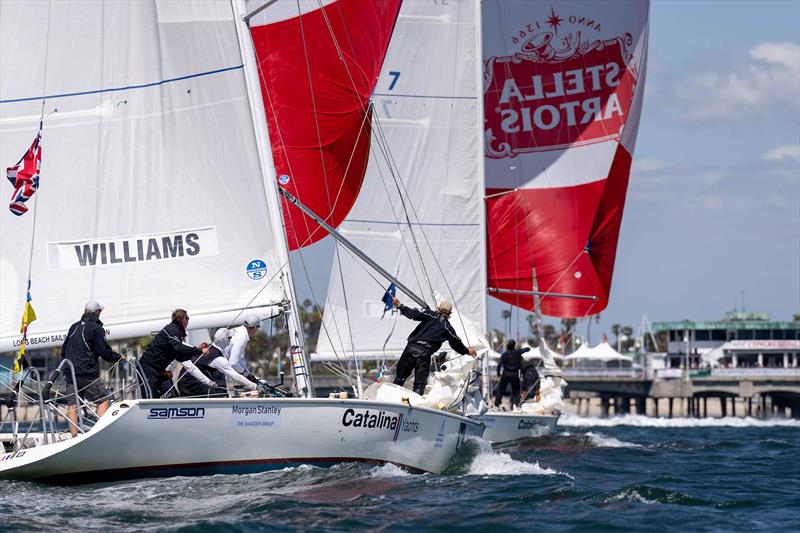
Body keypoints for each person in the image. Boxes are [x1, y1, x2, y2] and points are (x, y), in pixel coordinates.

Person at [60, 300, 123, 437]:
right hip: (88, 374)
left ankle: (74, 437)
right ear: (97, 312)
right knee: (102, 400)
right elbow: (104, 352)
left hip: (70, 374)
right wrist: (118, 357)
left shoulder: (74, 327)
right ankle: (99, 435)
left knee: (72, 405)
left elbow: (64, 350)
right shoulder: (96, 329)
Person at [391, 297, 476, 396]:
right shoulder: (447, 327)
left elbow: (414, 314)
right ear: (450, 314)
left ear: (438, 308)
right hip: (424, 354)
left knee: (400, 377)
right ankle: (415, 405)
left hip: (410, 348)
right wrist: (466, 351)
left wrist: (400, 306)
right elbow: (455, 342)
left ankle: (392, 398)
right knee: (419, 384)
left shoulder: (429, 314)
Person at [139, 309, 215, 398]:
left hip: (159, 370)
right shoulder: (173, 330)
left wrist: (196, 354)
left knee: (171, 395)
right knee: (150, 397)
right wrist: (199, 350)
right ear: (182, 319)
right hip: (148, 368)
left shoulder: (176, 332)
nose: (188, 321)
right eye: (187, 318)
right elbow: (178, 348)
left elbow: (180, 357)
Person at [177, 328, 259, 397]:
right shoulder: (219, 359)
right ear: (226, 340)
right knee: (220, 396)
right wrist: (255, 386)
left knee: (221, 393)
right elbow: (236, 376)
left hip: (185, 382)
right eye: (230, 338)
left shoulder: (209, 347)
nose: (231, 340)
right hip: (191, 385)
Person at [495, 339, 530, 409]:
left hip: (506, 374)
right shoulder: (517, 352)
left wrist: (498, 373)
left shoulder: (504, 354)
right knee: (516, 391)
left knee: (501, 390)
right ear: (514, 346)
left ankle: (497, 405)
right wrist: (522, 350)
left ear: (508, 346)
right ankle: (517, 405)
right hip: (514, 374)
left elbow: (499, 365)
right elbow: (528, 349)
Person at [226, 314, 261, 383]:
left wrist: (249, 374)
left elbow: (239, 360)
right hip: (214, 369)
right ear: (254, 328)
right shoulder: (242, 337)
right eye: (258, 327)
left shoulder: (238, 330)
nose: (257, 330)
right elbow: (233, 363)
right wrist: (246, 374)